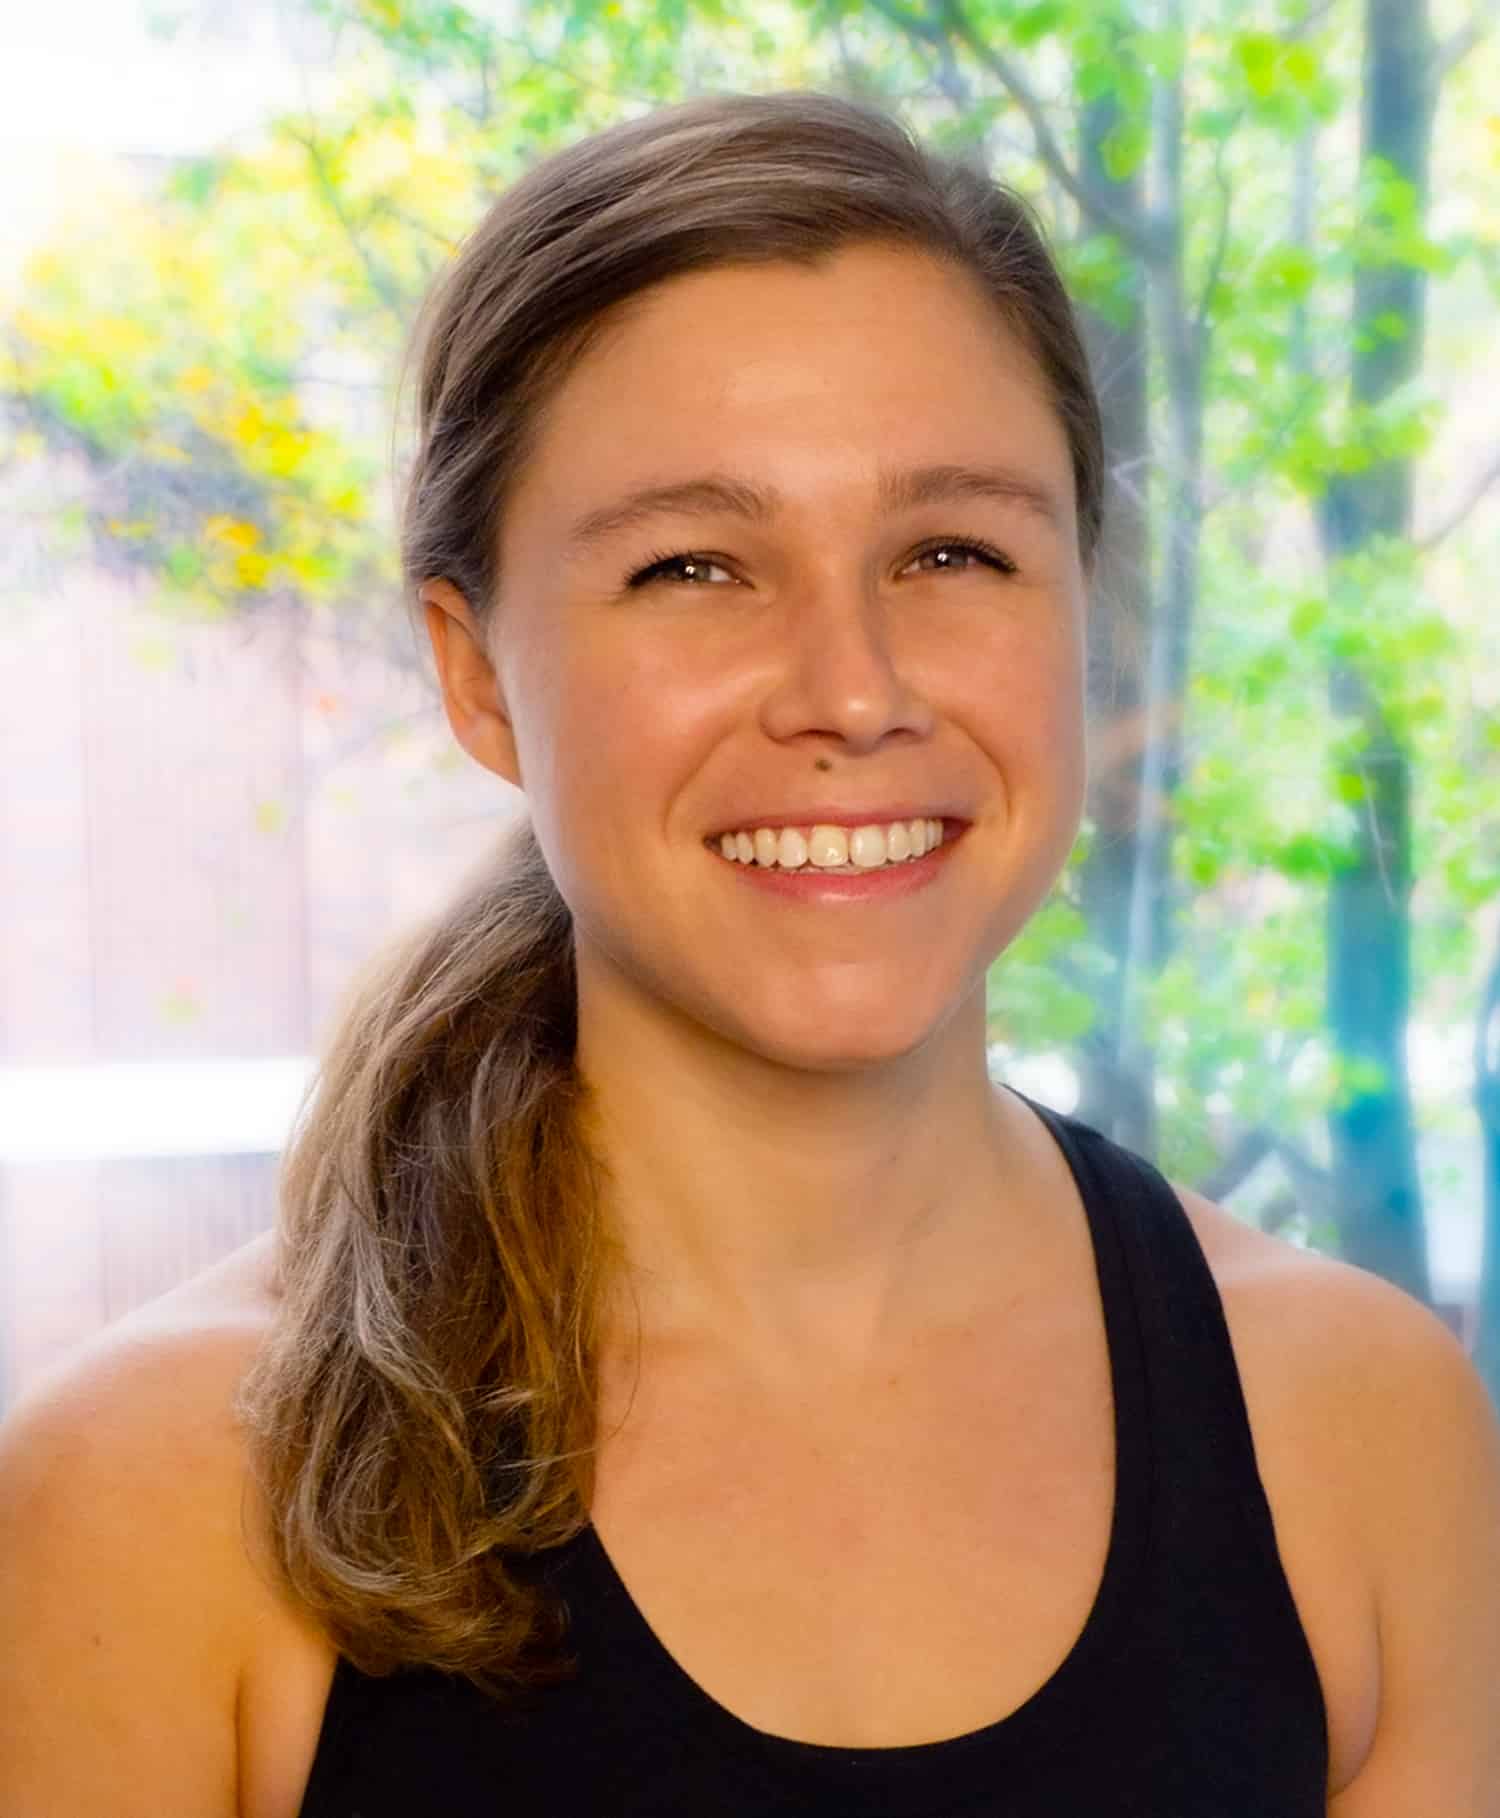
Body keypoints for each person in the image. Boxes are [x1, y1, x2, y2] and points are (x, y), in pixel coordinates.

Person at [2, 87, 1499, 1818]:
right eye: (696, 565)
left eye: (951, 550)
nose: (853, 690)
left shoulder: (1364, 1429)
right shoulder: (154, 1497)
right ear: (476, 671)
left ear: (1081, 611)